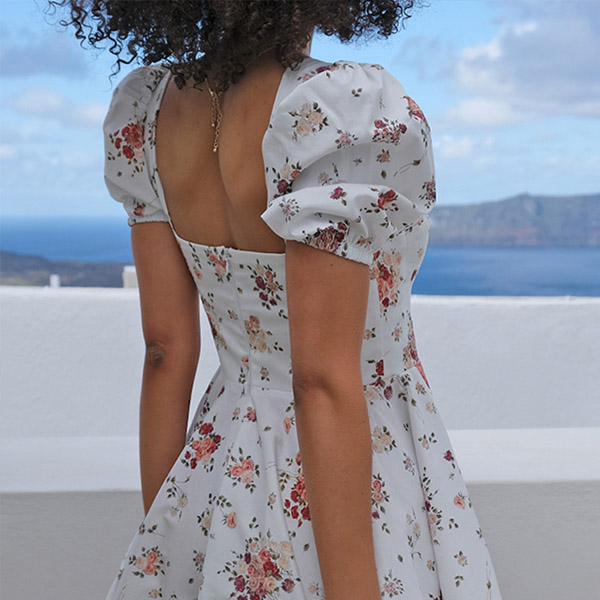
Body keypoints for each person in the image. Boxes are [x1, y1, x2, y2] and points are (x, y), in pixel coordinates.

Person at [52, 1, 503, 599]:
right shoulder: (336, 111)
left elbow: (164, 351)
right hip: (355, 468)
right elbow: (320, 382)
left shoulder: (149, 113)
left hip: (220, 470)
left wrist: (168, 547)